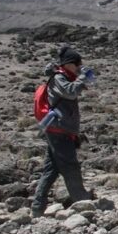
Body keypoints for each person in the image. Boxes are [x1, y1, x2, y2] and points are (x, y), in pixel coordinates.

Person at [32, 46, 96, 216]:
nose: (79, 66)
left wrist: (81, 78)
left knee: (51, 170)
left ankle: (37, 207)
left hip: (60, 129)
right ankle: (82, 200)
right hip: (59, 130)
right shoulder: (59, 78)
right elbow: (71, 92)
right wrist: (82, 77)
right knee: (70, 166)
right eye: (77, 64)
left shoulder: (66, 77)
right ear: (68, 64)